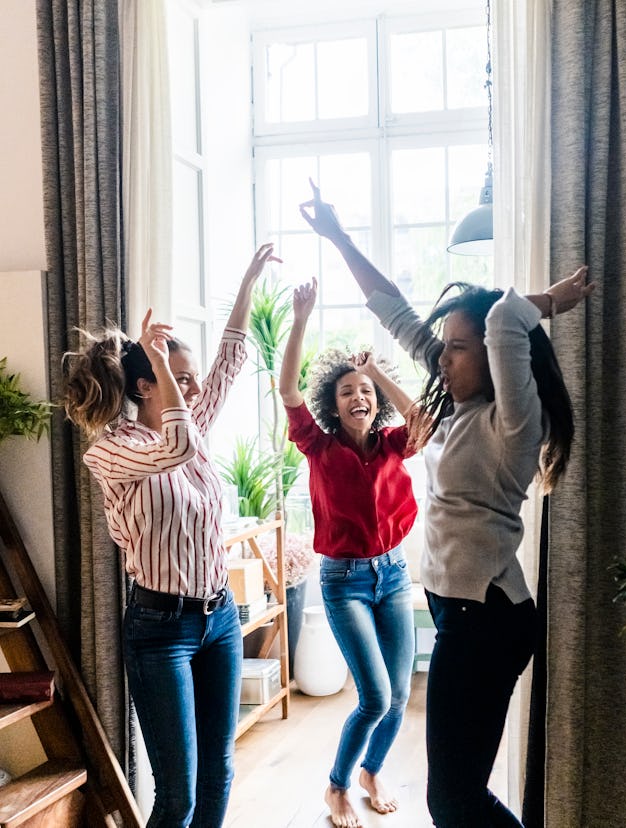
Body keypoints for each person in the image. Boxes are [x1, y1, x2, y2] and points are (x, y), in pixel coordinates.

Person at [300, 182, 594, 827]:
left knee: (454, 800)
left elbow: (505, 318)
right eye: (447, 345)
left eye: (458, 347)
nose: (443, 355)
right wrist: (339, 237)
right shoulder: (457, 407)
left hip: (486, 620)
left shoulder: (515, 422)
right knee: (456, 796)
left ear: (496, 357)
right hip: (459, 612)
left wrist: (550, 300)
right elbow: (394, 311)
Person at [63, 244, 278, 828]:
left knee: (218, 774)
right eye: (180, 380)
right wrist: (160, 362)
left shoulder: (192, 428)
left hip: (219, 618)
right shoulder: (112, 452)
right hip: (161, 630)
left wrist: (247, 281)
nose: (195, 390)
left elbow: (227, 365)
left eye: (191, 379)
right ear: (144, 386)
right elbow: (175, 447)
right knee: (178, 796)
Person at [279, 277, 419, 828]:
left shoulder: (392, 444)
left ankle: (371, 771)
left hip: (395, 574)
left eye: (365, 391)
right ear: (333, 406)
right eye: (347, 392)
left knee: (400, 694)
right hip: (345, 582)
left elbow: (423, 419)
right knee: (375, 697)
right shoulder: (318, 445)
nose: (359, 397)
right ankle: (337, 785)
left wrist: (377, 372)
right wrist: (301, 319)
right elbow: (288, 389)